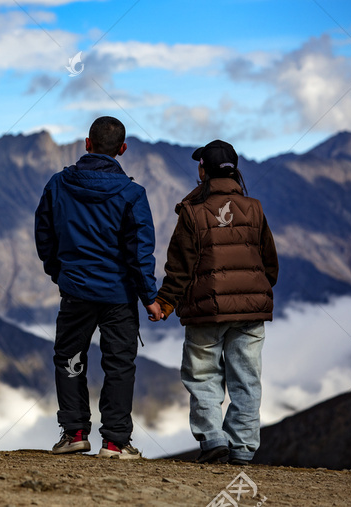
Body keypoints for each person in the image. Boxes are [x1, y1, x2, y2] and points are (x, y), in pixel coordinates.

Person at [35, 116, 162, 459]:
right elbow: (140, 252)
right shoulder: (133, 194)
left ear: (87, 144)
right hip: (119, 295)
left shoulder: (58, 184)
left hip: (76, 290)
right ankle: (115, 443)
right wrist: (149, 297)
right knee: (119, 364)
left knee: (70, 357)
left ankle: (74, 433)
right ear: (122, 149)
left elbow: (44, 236)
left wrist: (59, 273)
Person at [153, 139, 278, 466]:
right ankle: (242, 450)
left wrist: (166, 303)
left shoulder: (192, 212)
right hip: (251, 314)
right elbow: (270, 263)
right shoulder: (255, 208)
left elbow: (179, 267)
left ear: (202, 170)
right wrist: (253, 293)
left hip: (206, 312)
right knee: (246, 380)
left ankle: (213, 442)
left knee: (203, 376)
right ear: (235, 170)